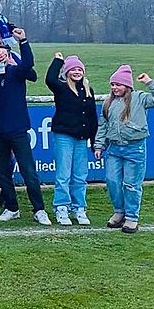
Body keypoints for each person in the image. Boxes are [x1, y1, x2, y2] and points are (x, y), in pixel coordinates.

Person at [0, 28, 52, 225]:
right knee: (2, 173)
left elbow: (28, 64)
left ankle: (39, 209)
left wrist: (23, 41)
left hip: (17, 131)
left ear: (9, 55)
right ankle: (12, 207)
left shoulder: (16, 73)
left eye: (2, 51)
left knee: (28, 172)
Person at [94, 66, 154, 234]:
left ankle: (132, 217)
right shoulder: (108, 102)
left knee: (131, 184)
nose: (115, 88)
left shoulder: (140, 98)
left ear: (127, 86)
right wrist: (99, 145)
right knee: (112, 181)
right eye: (112, 84)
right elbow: (103, 125)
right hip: (114, 149)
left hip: (135, 148)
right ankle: (119, 211)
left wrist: (149, 82)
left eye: (118, 84)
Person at [46, 53, 99, 226]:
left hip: (82, 138)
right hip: (64, 136)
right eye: (73, 69)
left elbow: (92, 117)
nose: (77, 72)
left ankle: (79, 208)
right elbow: (49, 79)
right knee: (63, 174)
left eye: (79, 69)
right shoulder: (61, 88)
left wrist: (94, 141)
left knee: (80, 175)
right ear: (67, 72)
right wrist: (58, 61)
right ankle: (61, 207)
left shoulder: (88, 90)